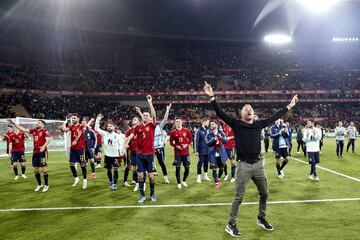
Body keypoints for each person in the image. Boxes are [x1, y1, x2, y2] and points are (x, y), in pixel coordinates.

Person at [203, 81, 298, 237]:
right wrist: (211, 96)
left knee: (265, 193)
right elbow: (220, 113)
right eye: (246, 109)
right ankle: (231, 224)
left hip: (258, 166)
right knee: (239, 196)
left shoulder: (259, 124)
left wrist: (290, 105)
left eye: (251, 109)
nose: (249, 111)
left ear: (253, 114)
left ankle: (261, 218)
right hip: (243, 166)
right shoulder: (236, 124)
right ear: (242, 114)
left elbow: (275, 116)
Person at [124, 95, 157, 203]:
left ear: (150, 118)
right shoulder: (138, 127)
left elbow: (154, 115)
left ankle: (152, 194)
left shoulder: (152, 125)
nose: (145, 116)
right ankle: (142, 195)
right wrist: (126, 144)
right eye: (144, 115)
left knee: (151, 176)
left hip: (150, 155)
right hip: (139, 155)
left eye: (147, 115)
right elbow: (130, 136)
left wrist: (150, 103)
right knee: (140, 176)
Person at [9, 119, 51, 192]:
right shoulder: (34, 131)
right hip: (35, 153)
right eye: (37, 123)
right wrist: (14, 123)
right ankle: (39, 184)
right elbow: (23, 129)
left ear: (43, 125)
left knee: (44, 169)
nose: (37, 124)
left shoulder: (45, 131)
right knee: (35, 170)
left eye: (39, 123)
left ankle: (46, 185)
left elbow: (48, 140)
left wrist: (44, 146)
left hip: (42, 152)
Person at [95, 114, 125, 190]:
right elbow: (96, 128)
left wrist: (121, 153)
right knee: (108, 170)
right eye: (108, 126)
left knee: (115, 169)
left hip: (115, 156)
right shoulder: (104, 134)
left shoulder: (118, 135)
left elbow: (121, 144)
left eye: (110, 126)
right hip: (107, 156)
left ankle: (114, 184)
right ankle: (111, 181)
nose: (109, 127)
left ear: (114, 127)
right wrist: (98, 120)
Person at [61, 113, 88, 189]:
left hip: (80, 148)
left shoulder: (81, 126)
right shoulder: (71, 126)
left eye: (74, 118)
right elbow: (64, 130)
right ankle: (76, 178)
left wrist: (75, 140)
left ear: (78, 119)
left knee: (82, 164)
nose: (73, 119)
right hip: (73, 149)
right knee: (71, 164)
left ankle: (85, 180)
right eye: (72, 118)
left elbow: (79, 133)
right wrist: (64, 122)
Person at [170, 117, 193, 189]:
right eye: (177, 121)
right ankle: (179, 182)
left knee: (187, 168)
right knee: (178, 168)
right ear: (175, 123)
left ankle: (184, 181)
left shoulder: (186, 130)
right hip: (177, 153)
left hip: (185, 152)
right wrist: (176, 146)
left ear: (181, 122)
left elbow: (191, 139)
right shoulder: (173, 132)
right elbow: (171, 142)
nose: (178, 123)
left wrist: (186, 144)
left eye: (179, 121)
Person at [206, 120, 228, 189]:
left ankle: (218, 178)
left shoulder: (221, 133)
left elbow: (226, 141)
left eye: (213, 124)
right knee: (214, 168)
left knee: (222, 167)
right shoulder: (208, 135)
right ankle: (216, 182)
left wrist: (220, 137)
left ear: (216, 125)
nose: (211, 125)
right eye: (211, 124)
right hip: (212, 153)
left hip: (221, 153)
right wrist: (214, 139)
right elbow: (208, 144)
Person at [153, 103, 172, 184]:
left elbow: (165, 120)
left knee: (161, 163)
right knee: (149, 162)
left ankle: (165, 178)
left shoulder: (159, 127)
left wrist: (167, 110)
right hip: (150, 148)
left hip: (159, 147)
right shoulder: (147, 128)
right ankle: (151, 177)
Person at [124, 116, 141, 191]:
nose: (133, 120)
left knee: (139, 168)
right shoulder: (129, 131)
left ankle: (140, 183)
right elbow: (126, 140)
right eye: (133, 119)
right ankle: (134, 182)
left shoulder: (141, 129)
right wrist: (125, 146)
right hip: (131, 151)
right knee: (132, 167)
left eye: (135, 119)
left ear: (138, 122)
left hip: (140, 151)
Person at [194, 118, 211, 183]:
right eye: (207, 122)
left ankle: (205, 176)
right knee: (200, 163)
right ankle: (199, 177)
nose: (208, 123)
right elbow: (196, 141)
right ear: (204, 122)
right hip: (201, 151)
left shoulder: (208, 130)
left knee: (206, 163)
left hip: (207, 150)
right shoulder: (198, 131)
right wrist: (196, 151)